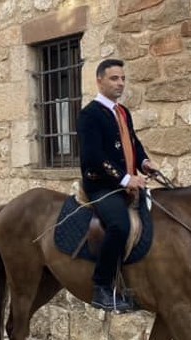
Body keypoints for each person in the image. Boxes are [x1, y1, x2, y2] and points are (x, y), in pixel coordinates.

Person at [77, 58, 159, 314]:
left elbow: (133, 143)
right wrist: (125, 179)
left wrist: (145, 163)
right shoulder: (89, 114)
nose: (120, 83)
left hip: (129, 184)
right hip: (101, 186)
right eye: (114, 78)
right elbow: (93, 157)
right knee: (119, 225)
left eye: (123, 78)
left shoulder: (123, 112)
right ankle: (102, 287)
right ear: (99, 80)